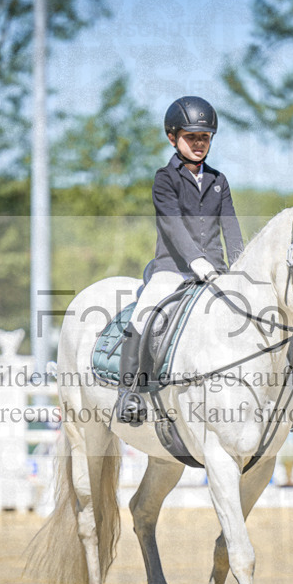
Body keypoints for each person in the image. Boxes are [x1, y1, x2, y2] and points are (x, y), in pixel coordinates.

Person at [116, 96, 245, 426]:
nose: (199, 144)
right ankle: (130, 392)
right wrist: (197, 261)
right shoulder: (165, 178)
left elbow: (230, 226)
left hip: (217, 271)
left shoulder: (219, 181)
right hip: (173, 269)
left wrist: (241, 266)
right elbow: (171, 224)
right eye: (191, 137)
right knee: (145, 314)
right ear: (173, 137)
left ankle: (288, 398)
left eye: (205, 137)